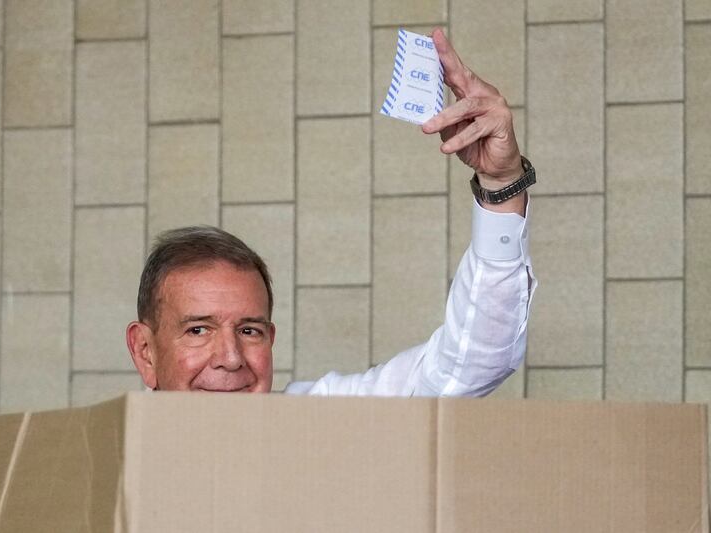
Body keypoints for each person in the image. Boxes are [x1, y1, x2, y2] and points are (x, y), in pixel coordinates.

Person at [126, 28, 536, 396]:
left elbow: (465, 368)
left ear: (271, 339)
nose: (231, 358)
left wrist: (501, 184)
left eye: (249, 330)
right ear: (145, 351)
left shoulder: (315, 420)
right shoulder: (90, 460)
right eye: (198, 330)